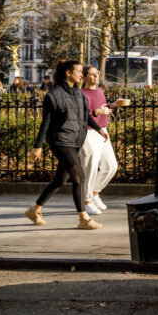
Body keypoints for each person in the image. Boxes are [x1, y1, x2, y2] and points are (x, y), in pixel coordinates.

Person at [25, 60, 107, 229]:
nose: (81, 74)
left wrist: (98, 129)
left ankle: (34, 210)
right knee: (79, 176)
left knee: (60, 180)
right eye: (78, 71)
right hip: (60, 140)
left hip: (76, 139)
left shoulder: (78, 92)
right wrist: (38, 146)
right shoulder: (53, 94)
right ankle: (83, 218)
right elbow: (45, 122)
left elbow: (85, 115)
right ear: (68, 73)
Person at [78, 66, 119, 215]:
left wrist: (113, 105)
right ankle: (87, 201)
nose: (95, 76)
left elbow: (102, 108)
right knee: (90, 168)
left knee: (111, 166)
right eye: (92, 74)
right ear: (84, 77)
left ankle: (95, 193)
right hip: (88, 133)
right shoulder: (81, 93)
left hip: (103, 131)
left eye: (97, 74)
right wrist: (97, 112)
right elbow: (81, 114)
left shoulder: (100, 92)